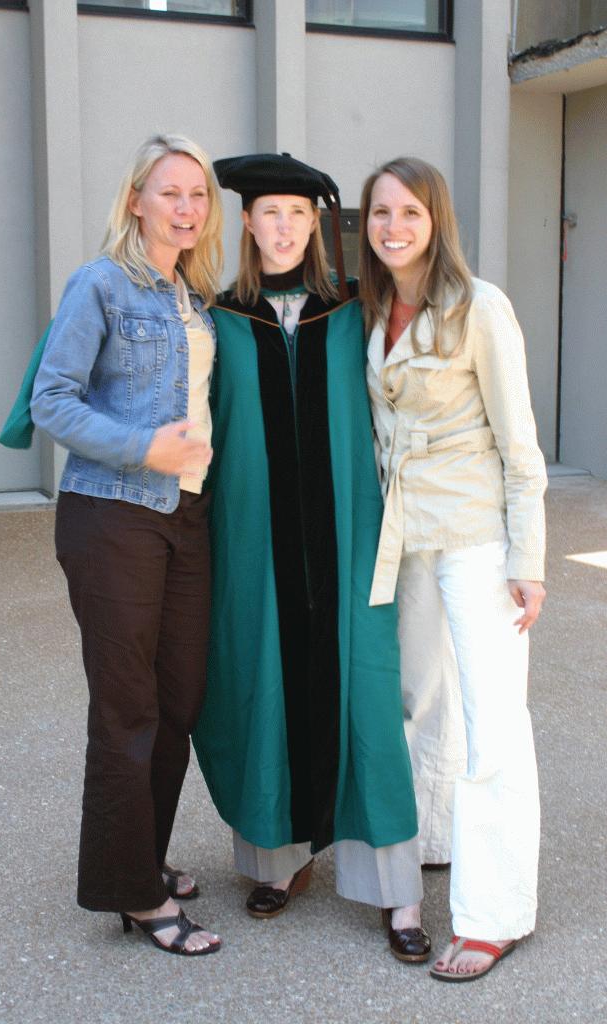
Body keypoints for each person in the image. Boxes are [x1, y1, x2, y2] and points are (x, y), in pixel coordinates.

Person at [192, 152, 431, 962]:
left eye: (298, 212)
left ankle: (395, 892)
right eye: (270, 212)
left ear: (316, 226)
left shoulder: (356, 310)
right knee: (261, 685)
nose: (285, 226)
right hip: (253, 542)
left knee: (366, 698)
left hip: (350, 538)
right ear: (248, 223)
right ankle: (279, 860)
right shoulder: (219, 319)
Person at [30, 133, 224, 956]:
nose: (185, 207)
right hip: (113, 515)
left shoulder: (194, 297)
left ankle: (140, 857)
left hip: (186, 517)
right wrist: (145, 447)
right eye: (169, 192)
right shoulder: (102, 283)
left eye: (198, 194)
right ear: (137, 200)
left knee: (179, 698)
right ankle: (137, 895)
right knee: (127, 706)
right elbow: (52, 399)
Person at [360, 156, 546, 981]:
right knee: (422, 702)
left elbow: (520, 444)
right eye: (380, 212)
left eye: (410, 212)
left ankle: (493, 914)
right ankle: (432, 840)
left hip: (476, 537)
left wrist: (529, 558)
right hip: (408, 537)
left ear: (437, 221)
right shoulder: (374, 311)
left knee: (492, 721)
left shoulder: (480, 307)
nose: (394, 226)